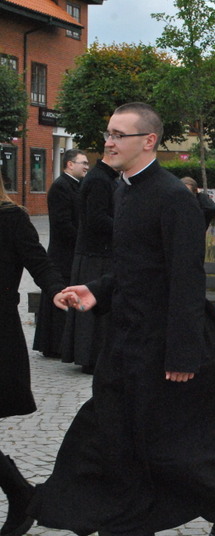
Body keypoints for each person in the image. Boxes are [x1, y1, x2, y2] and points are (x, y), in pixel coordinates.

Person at [21, 103, 215, 536]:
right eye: (108, 134)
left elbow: (185, 279)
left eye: (119, 135)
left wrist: (182, 354)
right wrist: (97, 290)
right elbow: (134, 268)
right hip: (123, 340)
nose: (109, 143)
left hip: (158, 347)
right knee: (106, 435)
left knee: (167, 446)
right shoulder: (122, 190)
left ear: (149, 141)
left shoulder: (173, 197)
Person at [0, 176, 64, 536]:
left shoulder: (11, 218)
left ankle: (20, 493)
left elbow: (40, 264)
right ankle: (20, 492)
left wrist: (57, 290)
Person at [60, 156, 118, 374]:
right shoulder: (99, 180)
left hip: (97, 253)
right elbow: (97, 219)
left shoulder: (104, 178)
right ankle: (91, 357)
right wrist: (126, 227)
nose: (85, 166)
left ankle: (93, 357)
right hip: (96, 255)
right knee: (93, 315)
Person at [33, 148, 87, 358]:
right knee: (59, 296)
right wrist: (81, 239)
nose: (86, 166)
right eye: (82, 162)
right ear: (69, 164)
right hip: (62, 253)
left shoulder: (76, 185)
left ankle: (60, 343)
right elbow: (62, 223)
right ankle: (54, 344)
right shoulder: (61, 187)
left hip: (70, 251)